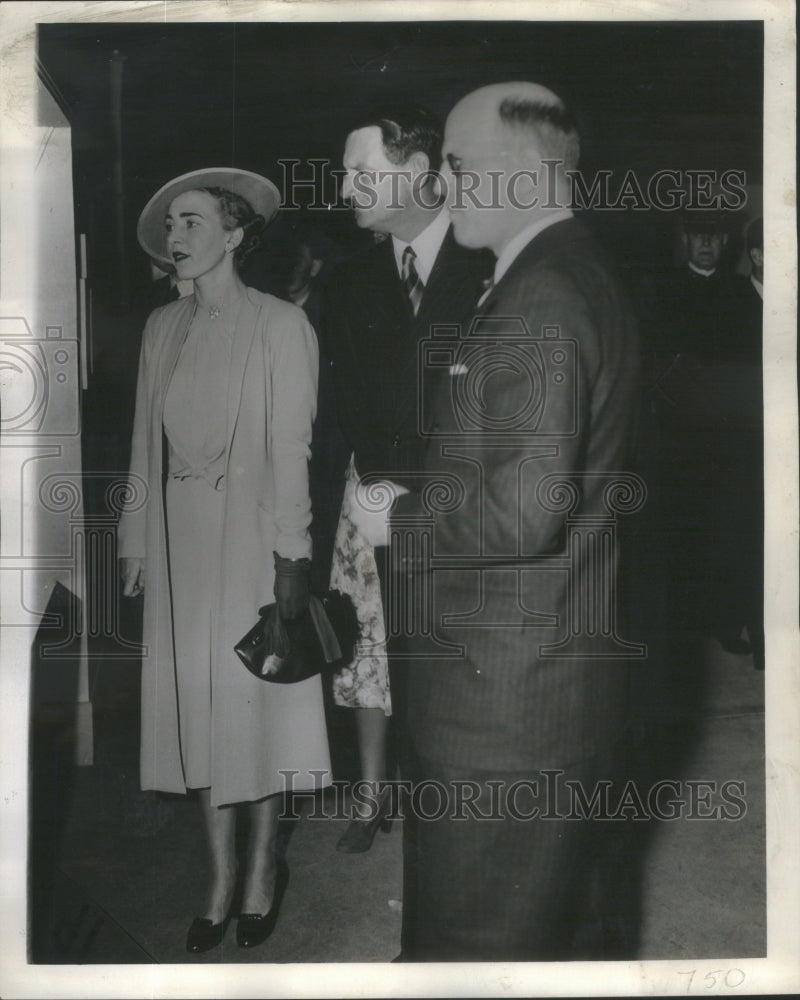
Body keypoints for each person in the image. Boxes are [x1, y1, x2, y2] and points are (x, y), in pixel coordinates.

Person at [389, 82, 642, 959]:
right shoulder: (570, 272)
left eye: (457, 166)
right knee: (549, 935)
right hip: (543, 689)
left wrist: (401, 519)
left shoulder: (544, 293)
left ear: (526, 174)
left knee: (473, 947)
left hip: (505, 708)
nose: (441, 186)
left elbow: (528, 509)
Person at [118, 168, 330, 953]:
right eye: (172, 223)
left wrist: (292, 556)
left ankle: (262, 868)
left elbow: (292, 450)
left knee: (255, 704)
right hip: (182, 542)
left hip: (252, 538)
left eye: (195, 222)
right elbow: (142, 442)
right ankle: (218, 876)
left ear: (235, 235)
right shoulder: (161, 327)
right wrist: (137, 540)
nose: (177, 236)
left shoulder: (281, 325)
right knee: (196, 708)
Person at [321, 105, 490, 855]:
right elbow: (337, 410)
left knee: (452, 669)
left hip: (460, 509)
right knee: (371, 651)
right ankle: (374, 793)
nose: (344, 188)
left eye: (362, 173)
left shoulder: (489, 263)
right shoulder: (348, 279)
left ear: (418, 171)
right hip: (371, 503)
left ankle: (453, 806)